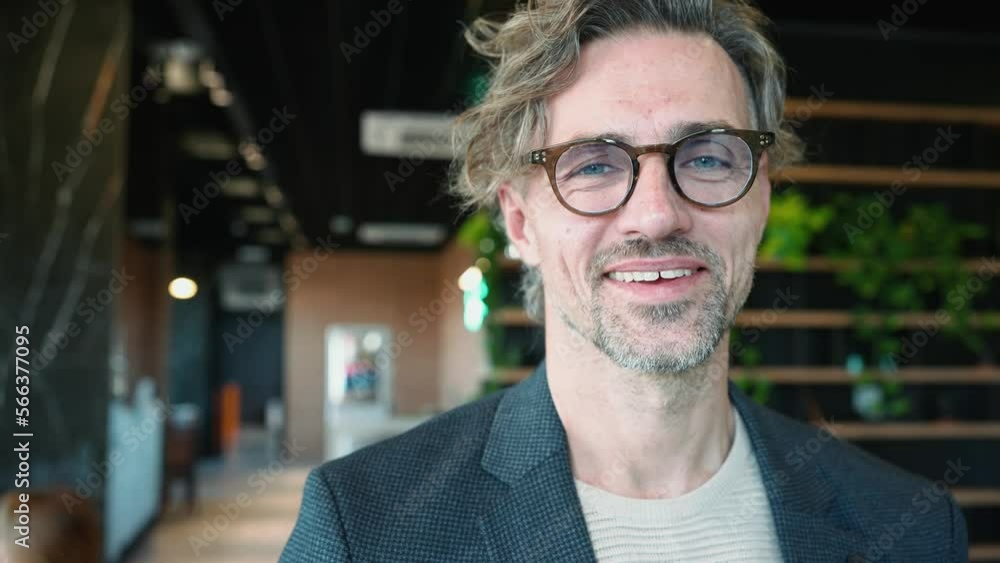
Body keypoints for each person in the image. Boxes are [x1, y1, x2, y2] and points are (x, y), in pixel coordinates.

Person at [280, 1, 969, 561]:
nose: (656, 214)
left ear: (761, 195)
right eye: (593, 165)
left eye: (707, 157)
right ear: (520, 222)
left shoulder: (908, 528)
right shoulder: (366, 530)